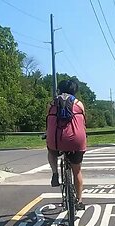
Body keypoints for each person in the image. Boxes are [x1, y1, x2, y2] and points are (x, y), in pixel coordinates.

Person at [45, 79, 87, 211]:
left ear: (59, 90)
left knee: (51, 151)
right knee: (77, 171)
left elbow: (49, 123)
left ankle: (55, 173)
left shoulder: (52, 103)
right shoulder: (79, 104)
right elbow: (83, 123)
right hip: (76, 140)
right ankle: (79, 201)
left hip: (56, 140)